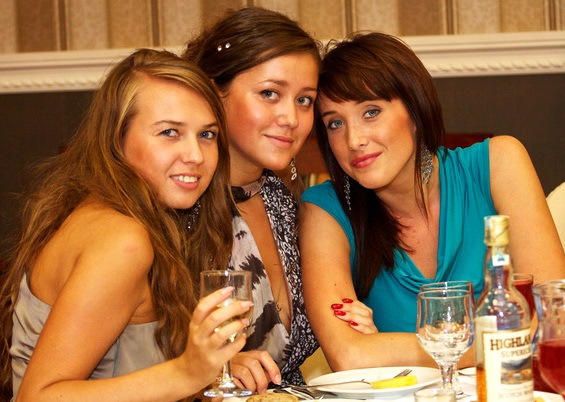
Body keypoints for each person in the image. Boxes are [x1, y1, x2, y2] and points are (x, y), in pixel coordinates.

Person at [299, 32, 565, 371]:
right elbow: (349, 356)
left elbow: (553, 323)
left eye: (371, 112)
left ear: (414, 109)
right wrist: (500, 339)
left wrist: (389, 347)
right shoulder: (326, 208)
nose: (354, 140)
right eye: (335, 123)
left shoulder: (498, 164)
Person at [0, 48, 252, 401]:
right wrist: (188, 372)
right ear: (117, 140)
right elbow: (39, 397)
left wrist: (213, 364)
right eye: (169, 132)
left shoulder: (110, 214)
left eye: (207, 135)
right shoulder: (122, 241)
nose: (196, 155)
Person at [182, 7, 321, 389]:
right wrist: (213, 370)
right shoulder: (175, 208)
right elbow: (135, 355)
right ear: (214, 93)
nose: (291, 118)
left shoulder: (287, 205)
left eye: (304, 100)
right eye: (270, 94)